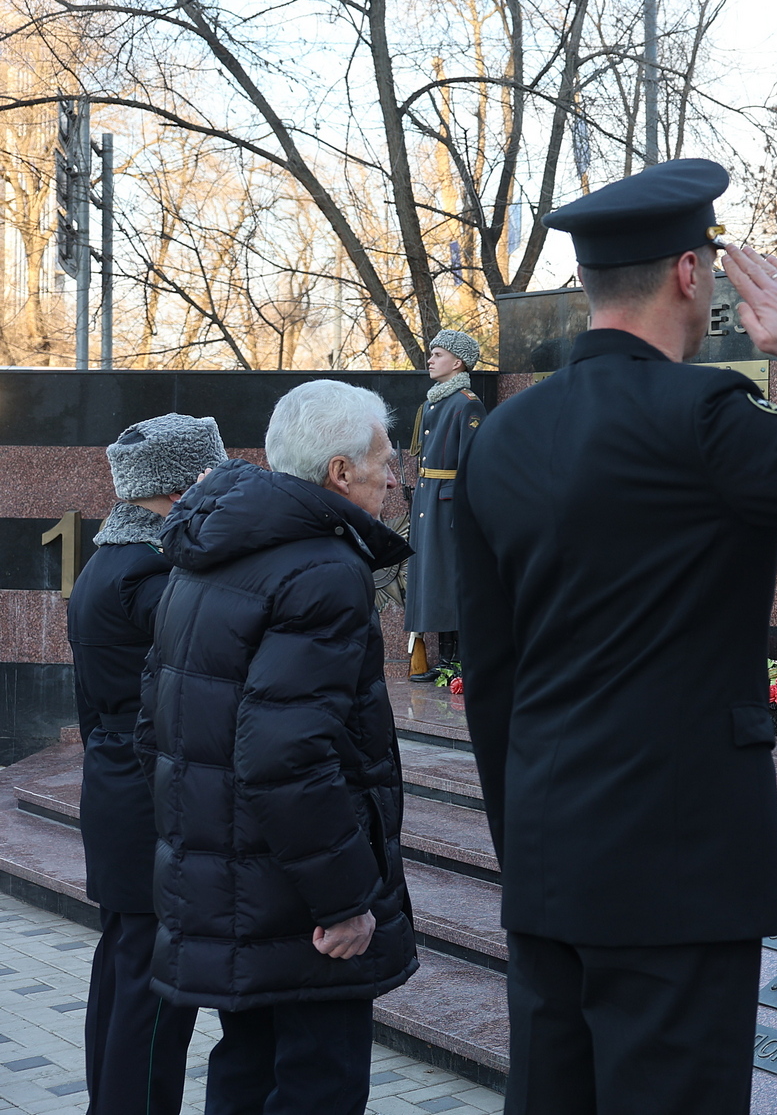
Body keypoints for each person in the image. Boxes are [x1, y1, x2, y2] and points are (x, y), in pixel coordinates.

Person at [456, 157, 777, 1114]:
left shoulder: (503, 434)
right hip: (675, 866)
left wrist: (524, 844)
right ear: (691, 274)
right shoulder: (701, 420)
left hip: (546, 856)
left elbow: (490, 673)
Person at [145, 381, 418, 1113]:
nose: (395, 477)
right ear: (339, 472)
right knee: (315, 1082)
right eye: (384, 461)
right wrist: (344, 901)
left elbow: (161, 726)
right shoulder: (324, 570)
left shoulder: (212, 554)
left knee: (246, 1068)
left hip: (236, 886)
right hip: (298, 907)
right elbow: (286, 756)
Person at [68, 413, 223, 1113]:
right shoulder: (152, 572)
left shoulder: (110, 560)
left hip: (116, 793)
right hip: (147, 803)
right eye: (207, 472)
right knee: (154, 994)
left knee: (124, 971)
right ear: (178, 483)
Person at [405, 328, 486, 685]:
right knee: (433, 579)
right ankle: (445, 659)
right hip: (428, 498)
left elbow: (473, 463)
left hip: (447, 503)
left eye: (438, 354)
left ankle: (460, 661)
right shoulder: (434, 402)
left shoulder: (467, 403)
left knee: (450, 579)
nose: (431, 359)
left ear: (458, 362)